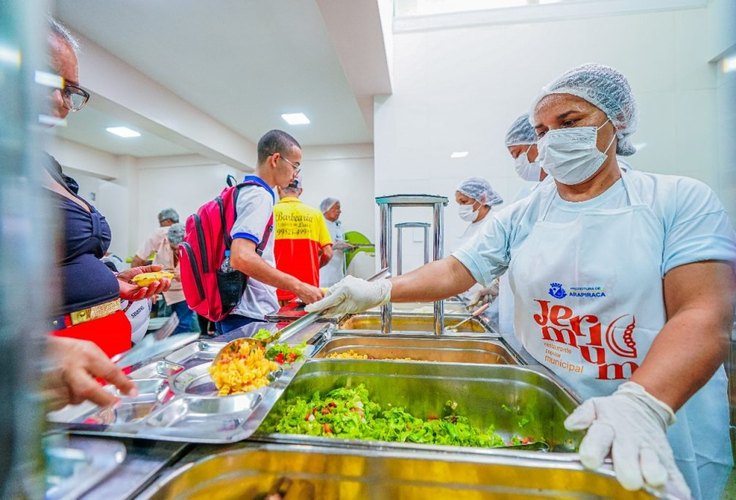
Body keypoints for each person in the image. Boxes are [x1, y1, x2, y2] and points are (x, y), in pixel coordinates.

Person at [307, 63, 736, 499]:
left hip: (660, 414)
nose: (551, 139)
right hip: (553, 406)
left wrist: (642, 402)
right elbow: (456, 269)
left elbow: (703, 312)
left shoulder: (678, 200)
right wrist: (379, 290)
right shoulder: (526, 213)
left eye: (569, 123)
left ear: (617, 121)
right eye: (542, 130)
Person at [45, 18, 170, 358]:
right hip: (54, 368)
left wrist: (114, 279)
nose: (60, 101)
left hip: (103, 350)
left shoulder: (45, 165)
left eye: (70, 90)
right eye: (47, 80)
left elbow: (64, 264)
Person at [217, 130, 324, 334]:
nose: (296, 174)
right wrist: (299, 286)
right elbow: (241, 257)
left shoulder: (242, 191)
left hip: (237, 309)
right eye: (295, 166)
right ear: (275, 159)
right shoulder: (259, 196)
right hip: (249, 314)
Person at [273, 176, 333, 303]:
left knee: (276, 323)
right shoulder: (315, 214)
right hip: (308, 291)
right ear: (300, 191)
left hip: (275, 289)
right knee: (305, 323)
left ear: (278, 189)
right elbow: (328, 253)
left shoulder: (270, 212)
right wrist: (314, 267)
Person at [453, 177, 503, 310]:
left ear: (483, 199)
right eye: (459, 203)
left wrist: (495, 288)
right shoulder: (472, 226)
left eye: (464, 202)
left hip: (489, 304)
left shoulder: (496, 223)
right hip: (469, 299)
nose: (462, 207)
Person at [152, 223, 197, 334]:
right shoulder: (160, 241)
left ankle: (181, 347)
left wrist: (184, 276)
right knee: (170, 324)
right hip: (166, 291)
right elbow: (149, 267)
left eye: (180, 249)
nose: (177, 252)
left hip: (185, 292)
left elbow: (199, 273)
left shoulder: (193, 246)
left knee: (183, 324)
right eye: (174, 248)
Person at [319, 197, 353, 288]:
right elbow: (316, 249)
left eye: (339, 208)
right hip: (324, 276)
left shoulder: (338, 226)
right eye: (336, 208)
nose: (339, 211)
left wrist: (346, 247)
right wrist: (334, 246)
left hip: (337, 275)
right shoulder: (319, 225)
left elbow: (338, 242)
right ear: (326, 209)